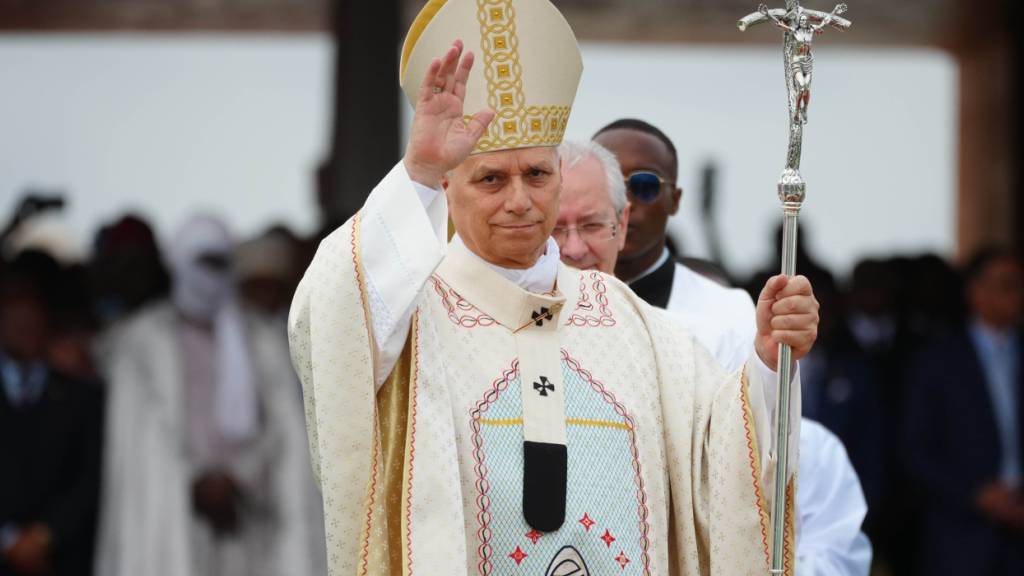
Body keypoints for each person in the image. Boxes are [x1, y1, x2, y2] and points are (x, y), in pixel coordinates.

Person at [288, 1, 819, 573]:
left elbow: (720, 460)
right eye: (491, 178)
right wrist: (415, 172)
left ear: (560, 178)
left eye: (536, 175)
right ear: (449, 183)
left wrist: (768, 364)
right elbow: (330, 321)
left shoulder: (632, 324)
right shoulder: (411, 315)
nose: (519, 200)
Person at [555, 138, 871, 575]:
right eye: (555, 228)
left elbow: (722, 447)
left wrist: (767, 361)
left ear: (621, 225)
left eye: (591, 226)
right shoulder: (482, 327)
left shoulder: (667, 341)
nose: (572, 249)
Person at [95, 215, 325, 576]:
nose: (211, 275)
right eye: (203, 262)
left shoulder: (261, 338)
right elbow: (143, 435)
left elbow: (284, 426)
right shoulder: (141, 342)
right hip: (171, 515)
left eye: (220, 263)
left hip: (250, 512)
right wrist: (195, 480)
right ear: (178, 263)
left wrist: (238, 475)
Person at [905, 247, 1024, 576]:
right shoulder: (937, 360)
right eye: (1008, 285)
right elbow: (914, 449)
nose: (1018, 296)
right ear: (976, 293)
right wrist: (976, 495)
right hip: (960, 536)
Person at [0, 252, 103, 576]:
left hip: (63, 559)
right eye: (14, 316)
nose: (25, 326)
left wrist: (45, 536)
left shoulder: (83, 395)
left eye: (33, 315)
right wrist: (8, 541)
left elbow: (91, 477)